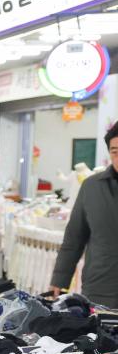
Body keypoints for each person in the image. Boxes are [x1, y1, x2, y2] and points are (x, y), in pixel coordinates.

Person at [50, 124, 118, 307]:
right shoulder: (92, 187)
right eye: (115, 152)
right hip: (100, 287)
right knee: (99, 335)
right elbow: (74, 237)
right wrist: (60, 279)